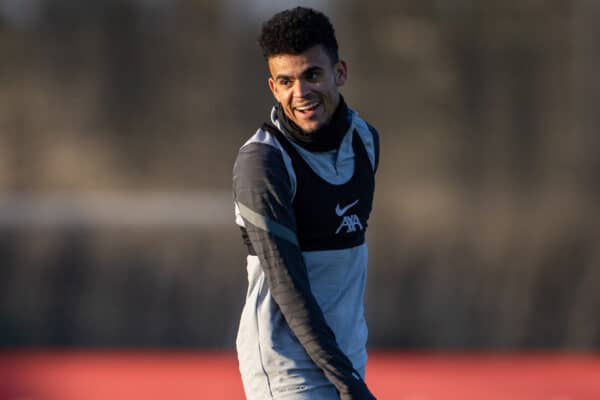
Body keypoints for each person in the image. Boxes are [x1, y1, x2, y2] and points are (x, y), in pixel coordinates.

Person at [232, 7, 379, 400]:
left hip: (347, 358)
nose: (301, 93)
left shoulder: (365, 140)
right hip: (287, 371)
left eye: (312, 75)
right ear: (273, 87)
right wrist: (348, 383)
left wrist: (349, 372)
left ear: (340, 73)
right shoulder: (262, 164)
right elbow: (289, 288)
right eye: (286, 81)